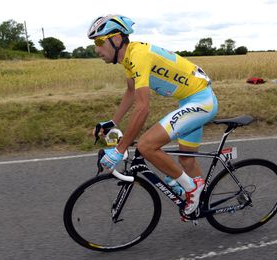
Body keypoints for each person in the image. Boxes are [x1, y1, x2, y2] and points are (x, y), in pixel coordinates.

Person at [88, 14, 218, 217]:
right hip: (189, 101)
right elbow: (131, 92)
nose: (96, 49)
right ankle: (201, 206)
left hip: (201, 101)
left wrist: (119, 149)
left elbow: (142, 108)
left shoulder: (139, 55)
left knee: (146, 146)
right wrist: (113, 122)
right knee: (186, 159)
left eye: (99, 42)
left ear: (116, 39)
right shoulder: (129, 58)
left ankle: (191, 189)